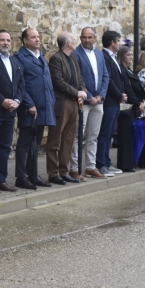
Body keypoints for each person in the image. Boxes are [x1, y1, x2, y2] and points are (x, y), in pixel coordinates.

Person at [14, 28, 55, 190]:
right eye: (33, 37)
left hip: (44, 107)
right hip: (29, 108)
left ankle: (33, 174)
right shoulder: (19, 58)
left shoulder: (41, 56)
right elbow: (20, 84)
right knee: (25, 142)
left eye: (38, 36)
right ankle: (21, 176)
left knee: (36, 143)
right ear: (25, 40)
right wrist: (29, 104)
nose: (37, 39)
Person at [71, 27, 112, 178]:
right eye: (84, 37)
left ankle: (90, 166)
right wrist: (89, 97)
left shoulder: (99, 53)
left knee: (93, 135)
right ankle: (74, 168)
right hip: (84, 102)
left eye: (90, 37)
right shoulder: (75, 54)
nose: (87, 40)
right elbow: (77, 78)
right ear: (80, 38)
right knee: (78, 136)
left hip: (98, 102)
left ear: (95, 38)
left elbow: (105, 76)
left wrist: (101, 95)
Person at [47, 32, 87, 185]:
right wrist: (77, 92)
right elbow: (58, 82)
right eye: (73, 40)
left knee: (68, 139)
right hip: (62, 103)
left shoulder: (73, 59)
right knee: (55, 139)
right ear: (67, 43)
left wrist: (82, 92)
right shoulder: (56, 59)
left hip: (74, 103)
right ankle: (53, 172)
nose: (75, 41)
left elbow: (80, 78)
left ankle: (64, 171)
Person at [0, 30, 24, 192]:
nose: (5, 43)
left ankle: (1, 179)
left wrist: (17, 101)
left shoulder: (15, 61)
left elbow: (21, 84)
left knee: (5, 147)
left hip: (11, 111)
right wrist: (1, 101)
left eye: (8, 40)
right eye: (2, 40)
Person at [97, 30, 127, 180]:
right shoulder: (105, 57)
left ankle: (107, 161)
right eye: (119, 41)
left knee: (109, 133)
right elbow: (108, 80)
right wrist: (119, 94)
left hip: (114, 102)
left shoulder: (113, 57)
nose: (120, 44)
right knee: (104, 133)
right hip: (109, 101)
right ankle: (101, 163)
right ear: (112, 43)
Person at [117, 46, 145, 172]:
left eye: (132, 55)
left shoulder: (129, 70)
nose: (131, 57)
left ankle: (130, 162)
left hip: (133, 106)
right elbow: (128, 89)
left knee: (130, 135)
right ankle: (125, 163)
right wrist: (137, 102)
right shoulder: (122, 70)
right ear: (123, 56)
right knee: (126, 135)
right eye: (128, 55)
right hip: (127, 105)